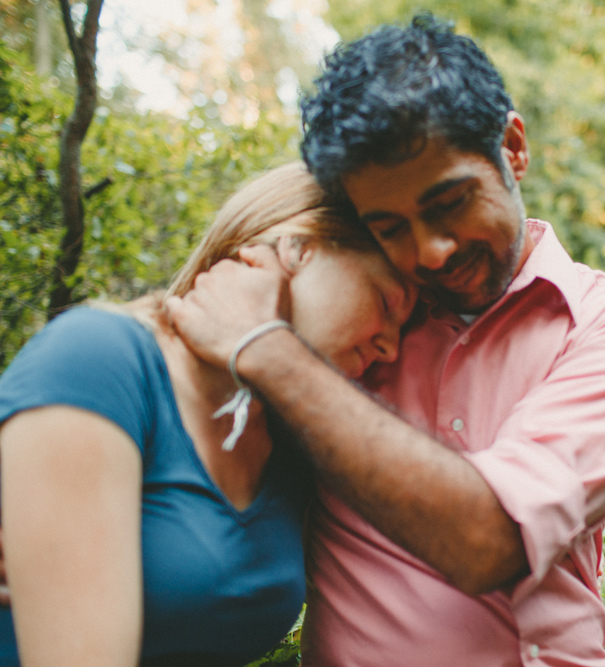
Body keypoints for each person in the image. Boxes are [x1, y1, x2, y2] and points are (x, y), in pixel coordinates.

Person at [166, 14, 605, 667]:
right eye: (390, 226)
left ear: (514, 147)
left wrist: (270, 351)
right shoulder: (353, 319)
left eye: (449, 203)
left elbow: (487, 540)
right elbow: (190, 378)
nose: (431, 252)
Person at [0, 162, 415, 667]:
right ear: (298, 247)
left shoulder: (290, 443)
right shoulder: (99, 359)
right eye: (386, 303)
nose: (391, 347)